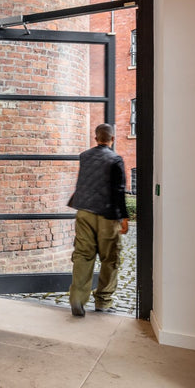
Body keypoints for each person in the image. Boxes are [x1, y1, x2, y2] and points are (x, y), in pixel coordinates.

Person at [67, 123, 129, 317]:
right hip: (107, 215)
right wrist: (124, 217)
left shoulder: (84, 156)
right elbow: (119, 191)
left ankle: (77, 298)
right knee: (110, 258)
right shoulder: (115, 159)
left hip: (84, 212)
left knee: (83, 255)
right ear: (113, 139)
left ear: (95, 138)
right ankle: (103, 301)